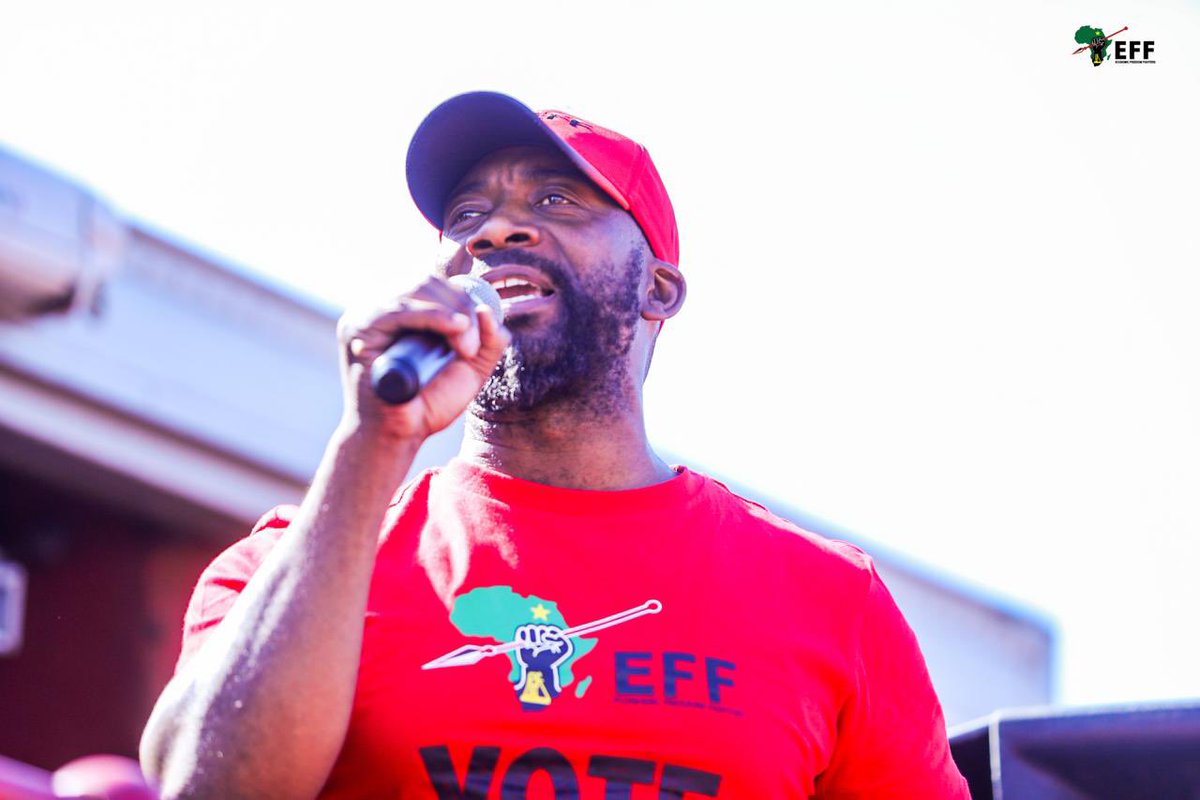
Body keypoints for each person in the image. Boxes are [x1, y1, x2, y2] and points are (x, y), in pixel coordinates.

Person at [139, 91, 969, 799]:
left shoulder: (827, 597)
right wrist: (371, 440)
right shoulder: (292, 567)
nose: (498, 230)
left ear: (658, 288)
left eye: (556, 202)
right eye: (467, 215)